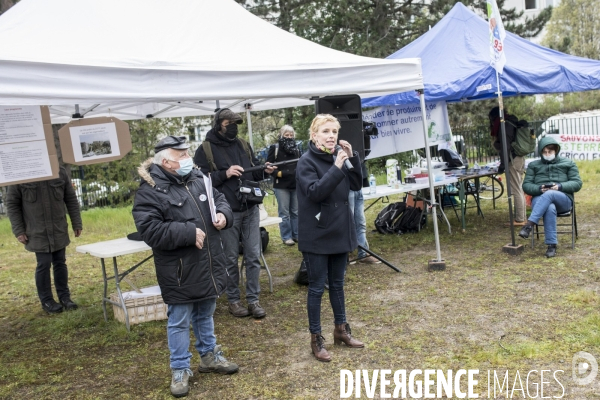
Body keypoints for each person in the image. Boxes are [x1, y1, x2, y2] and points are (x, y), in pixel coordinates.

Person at [133, 136, 238, 398]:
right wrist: (188, 232)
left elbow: (219, 199)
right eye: (181, 155)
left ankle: (209, 356)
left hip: (209, 262)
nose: (187, 157)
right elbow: (150, 230)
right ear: (165, 161)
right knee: (179, 320)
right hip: (179, 270)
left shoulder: (198, 177)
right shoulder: (149, 190)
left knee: (206, 312)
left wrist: (224, 215)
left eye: (187, 152)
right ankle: (179, 368)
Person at [194, 108, 275, 319]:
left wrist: (264, 170)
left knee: (253, 256)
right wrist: (225, 173)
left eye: (236, 123)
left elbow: (253, 171)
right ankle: (233, 301)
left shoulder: (242, 145)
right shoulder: (205, 150)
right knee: (230, 258)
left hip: (250, 208)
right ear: (218, 124)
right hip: (226, 213)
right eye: (229, 123)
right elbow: (198, 182)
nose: (233, 127)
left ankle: (253, 300)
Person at [296, 114, 364, 362]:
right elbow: (315, 192)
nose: (331, 136)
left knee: (338, 284)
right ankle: (316, 338)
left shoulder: (339, 157)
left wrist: (352, 157)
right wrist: (336, 167)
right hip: (317, 233)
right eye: (325, 131)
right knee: (316, 288)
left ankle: (341, 330)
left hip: (339, 231)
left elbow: (356, 184)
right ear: (314, 135)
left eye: (334, 131)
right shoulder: (306, 162)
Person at [6, 167, 82, 314]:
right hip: (36, 230)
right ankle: (47, 301)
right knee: (44, 263)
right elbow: (12, 204)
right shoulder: (20, 173)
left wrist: (76, 222)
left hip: (58, 227)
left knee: (60, 262)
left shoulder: (59, 171)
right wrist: (19, 230)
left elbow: (70, 198)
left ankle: (65, 298)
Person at [518, 136, 582, 258]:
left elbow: (577, 183)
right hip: (539, 199)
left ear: (556, 151)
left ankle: (529, 225)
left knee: (550, 193)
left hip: (563, 199)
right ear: (541, 152)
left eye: (550, 152)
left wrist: (560, 186)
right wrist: (539, 189)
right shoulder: (533, 165)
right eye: (544, 152)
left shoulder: (568, 163)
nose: (547, 154)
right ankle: (551, 246)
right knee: (549, 207)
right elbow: (526, 186)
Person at [489, 106, 527, 226]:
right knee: (519, 188)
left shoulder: (504, 125)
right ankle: (521, 216)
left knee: (516, 189)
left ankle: (520, 219)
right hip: (518, 158)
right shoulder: (511, 121)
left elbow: (506, 147)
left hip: (513, 159)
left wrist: (503, 164)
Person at [267, 125, 300, 246]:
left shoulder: (296, 148)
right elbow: (268, 166)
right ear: (281, 135)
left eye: (291, 135)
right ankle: (286, 236)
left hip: (295, 183)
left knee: (296, 211)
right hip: (281, 185)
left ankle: (297, 235)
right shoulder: (274, 148)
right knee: (284, 212)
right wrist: (279, 173)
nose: (289, 137)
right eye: (287, 135)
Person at [348, 162, 381, 264]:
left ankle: (363, 254)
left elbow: (363, 155)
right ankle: (344, 256)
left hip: (357, 186)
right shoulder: (333, 147)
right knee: (347, 224)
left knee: (361, 223)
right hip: (345, 187)